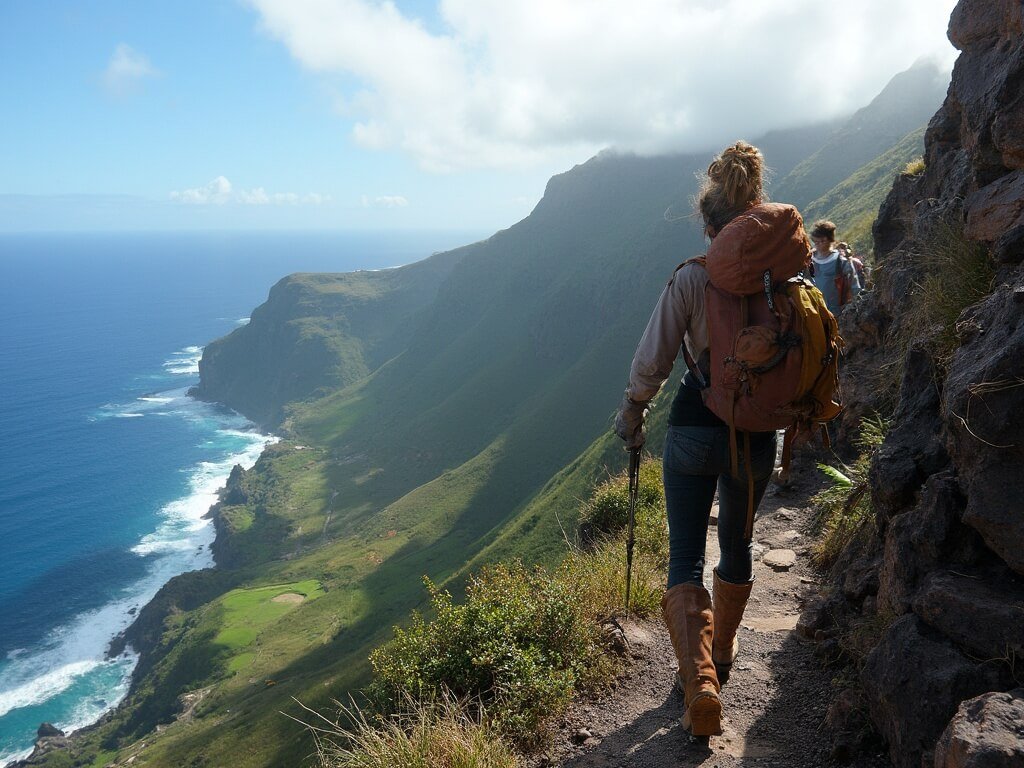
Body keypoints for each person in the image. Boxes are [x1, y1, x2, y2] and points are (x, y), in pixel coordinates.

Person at [614, 141, 779, 738]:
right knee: (736, 546)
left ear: (711, 226)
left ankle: (700, 681)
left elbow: (652, 360)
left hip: (691, 426)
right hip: (757, 433)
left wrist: (632, 413)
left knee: (684, 555)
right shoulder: (781, 280)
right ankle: (723, 657)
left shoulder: (692, 278)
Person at [808, 221, 861, 315]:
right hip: (815, 311)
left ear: (830, 239)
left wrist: (851, 308)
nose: (819, 244)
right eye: (816, 241)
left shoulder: (841, 261)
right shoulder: (809, 260)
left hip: (837, 311)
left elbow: (854, 286)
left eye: (822, 241)